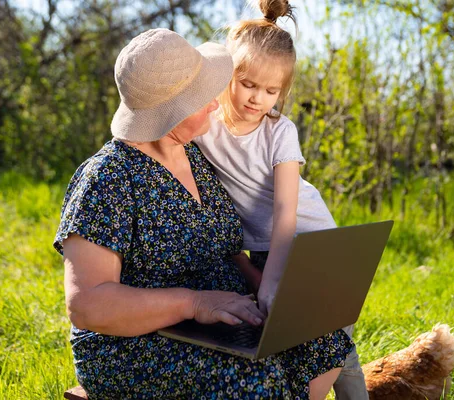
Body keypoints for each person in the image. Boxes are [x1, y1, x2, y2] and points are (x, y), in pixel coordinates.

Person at [54, 28, 352, 400]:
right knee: (253, 378)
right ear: (170, 114)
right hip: (135, 345)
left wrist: (264, 289)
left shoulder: (195, 155)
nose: (215, 102)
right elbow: (88, 306)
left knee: (322, 340)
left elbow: (225, 248)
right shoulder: (107, 178)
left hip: (221, 317)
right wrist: (194, 303)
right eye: (201, 98)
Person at [193, 1, 369, 399]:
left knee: (335, 348)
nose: (258, 99)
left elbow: (285, 213)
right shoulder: (206, 128)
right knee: (288, 345)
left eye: (272, 91)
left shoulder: (280, 132)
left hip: (316, 244)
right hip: (264, 249)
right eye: (249, 85)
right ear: (227, 76)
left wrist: (270, 283)